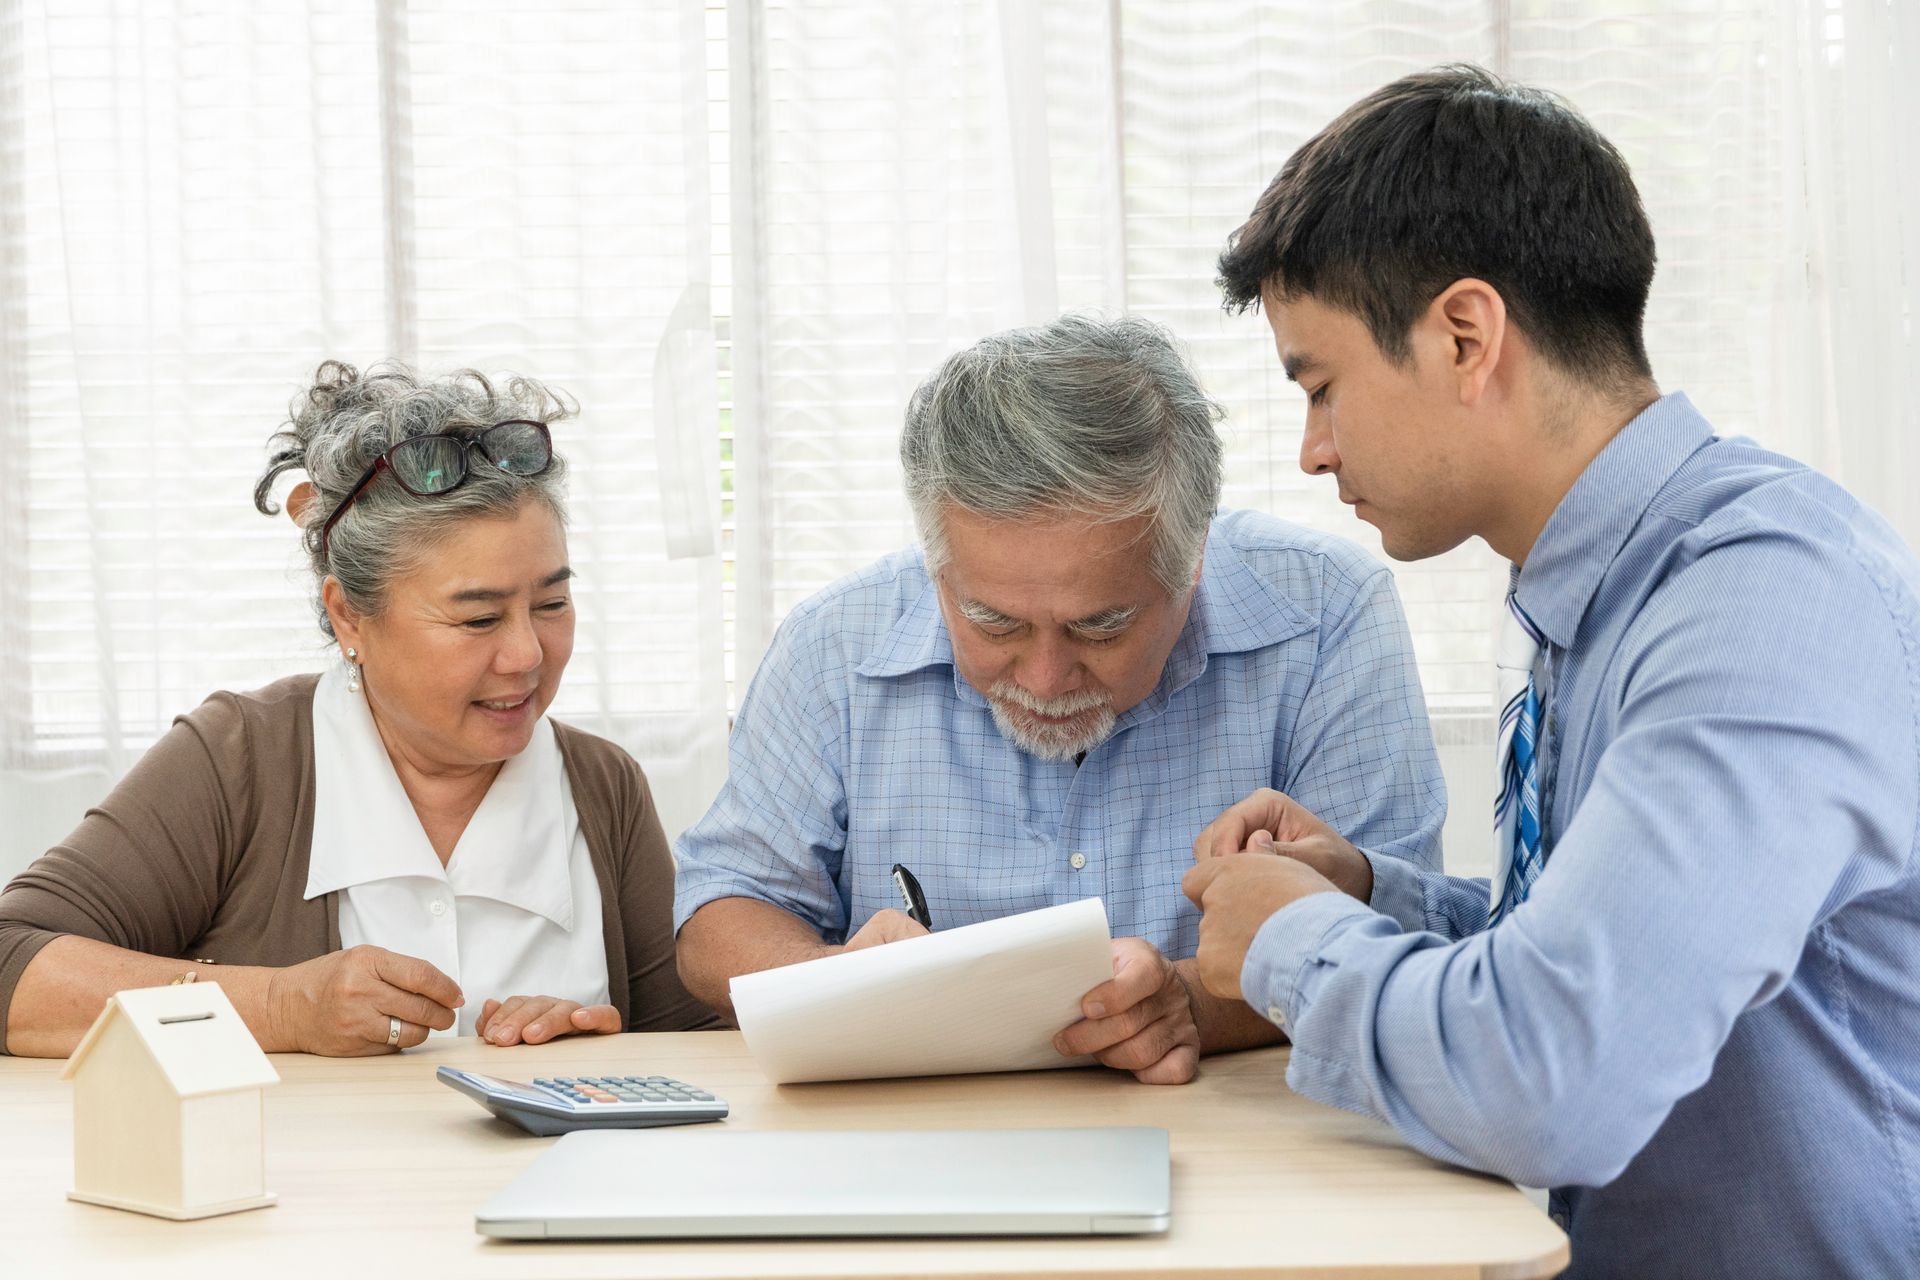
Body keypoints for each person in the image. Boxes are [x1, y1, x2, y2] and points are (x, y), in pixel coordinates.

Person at [1183, 65, 1920, 1276]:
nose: (1314, 450)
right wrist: (1374, 896)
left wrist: (1293, 941)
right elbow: (1611, 954)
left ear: (1465, 336)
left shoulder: (1761, 595)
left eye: (1320, 386)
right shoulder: (1618, 585)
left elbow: (1552, 1073)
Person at [675, 313, 1446, 1084]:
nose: (1044, 679)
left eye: (1101, 626)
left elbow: (1397, 938)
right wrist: (831, 974)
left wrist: (1193, 1004)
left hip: (1242, 1142)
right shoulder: (833, 644)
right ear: (935, 562)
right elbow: (720, 909)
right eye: (993, 621)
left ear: (1195, 560)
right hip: (909, 1140)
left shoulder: (1327, 616)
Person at [0, 361, 719, 1057]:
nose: (527, 654)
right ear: (349, 617)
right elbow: (11, 963)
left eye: (552, 604)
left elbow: (701, 1054)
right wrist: (280, 1007)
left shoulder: (604, 786)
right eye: (477, 620)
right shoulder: (242, 759)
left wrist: (596, 1047)